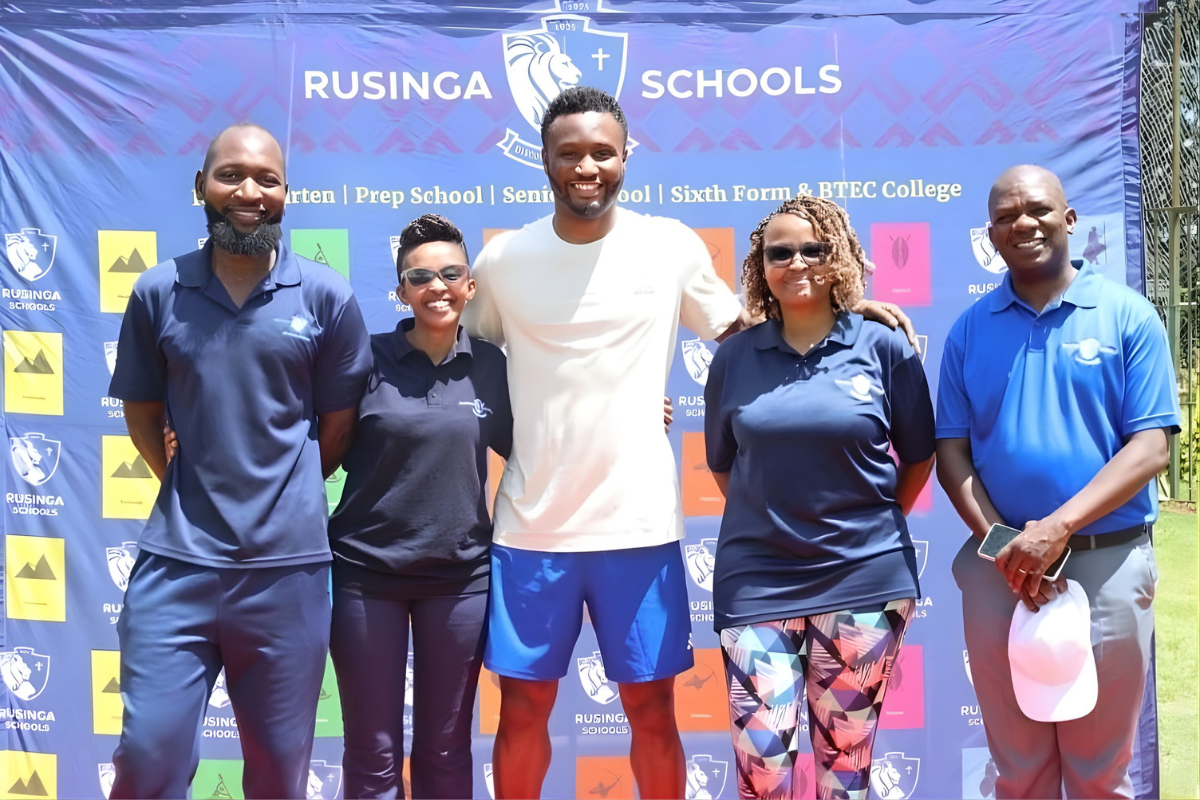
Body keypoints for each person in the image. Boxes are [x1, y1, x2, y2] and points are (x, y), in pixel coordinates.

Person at [462, 85, 917, 800]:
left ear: (627, 156)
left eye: (603, 152)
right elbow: (467, 365)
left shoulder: (667, 245)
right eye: (570, 153)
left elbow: (752, 332)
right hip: (530, 529)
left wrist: (846, 305)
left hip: (640, 529)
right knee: (520, 711)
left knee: (652, 712)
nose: (587, 167)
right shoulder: (502, 261)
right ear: (544, 160)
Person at [107, 123, 372, 800]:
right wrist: (185, 483)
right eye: (230, 175)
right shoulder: (157, 292)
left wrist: (283, 491)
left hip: (287, 575)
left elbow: (338, 427)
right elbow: (142, 410)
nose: (249, 191)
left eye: (266, 178)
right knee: (147, 756)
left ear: (286, 192)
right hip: (177, 566)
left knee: (279, 774)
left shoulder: (327, 297)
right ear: (201, 186)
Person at [936, 164, 1179, 799]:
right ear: (991, 234)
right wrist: (1006, 545)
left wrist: (1056, 529)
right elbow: (951, 454)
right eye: (1006, 216)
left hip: (1106, 564)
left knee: (1100, 776)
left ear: (1069, 219)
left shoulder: (1128, 316)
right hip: (1000, 574)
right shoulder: (969, 330)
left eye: (1038, 209)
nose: (1024, 223)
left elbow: (1151, 447)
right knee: (1019, 775)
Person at [704, 196, 936, 800]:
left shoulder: (883, 345)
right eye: (780, 252)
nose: (798, 262)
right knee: (764, 770)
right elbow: (725, 467)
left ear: (840, 258)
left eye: (814, 248)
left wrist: (869, 520)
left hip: (863, 579)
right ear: (760, 266)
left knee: (845, 769)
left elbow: (919, 455)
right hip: (757, 581)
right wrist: (774, 517)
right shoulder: (734, 358)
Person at [326, 214, 512, 799]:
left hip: (459, 581)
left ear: (470, 287)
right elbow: (311, 449)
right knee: (371, 751)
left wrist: (632, 415)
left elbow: (546, 446)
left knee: (446, 749)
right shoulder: (364, 360)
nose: (437, 286)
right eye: (420, 276)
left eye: (451, 274)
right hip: (365, 577)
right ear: (401, 291)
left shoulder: (492, 366)